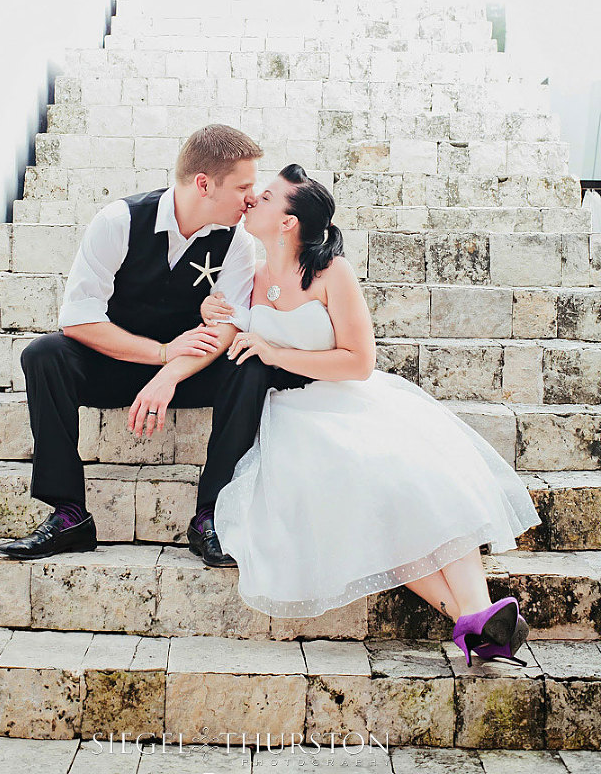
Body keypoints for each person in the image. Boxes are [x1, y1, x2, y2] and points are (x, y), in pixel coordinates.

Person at [200, 163, 542, 667]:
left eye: (268, 196)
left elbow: (359, 363)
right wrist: (215, 315)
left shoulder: (330, 272)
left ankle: (475, 614)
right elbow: (235, 334)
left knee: (420, 478)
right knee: (366, 498)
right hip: (290, 413)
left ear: (290, 221)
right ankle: (476, 619)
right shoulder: (250, 273)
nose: (254, 200)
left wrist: (276, 353)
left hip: (345, 397)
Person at [0, 125, 316, 566]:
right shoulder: (119, 221)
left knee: (251, 364)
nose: (251, 196)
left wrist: (170, 372)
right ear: (204, 184)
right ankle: (69, 513)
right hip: (117, 364)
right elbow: (78, 318)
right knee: (43, 355)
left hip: (188, 373)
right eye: (243, 186)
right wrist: (160, 354)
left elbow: (227, 328)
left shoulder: (238, 243)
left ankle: (212, 516)